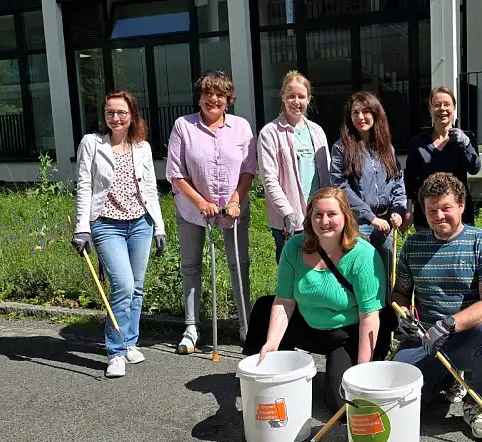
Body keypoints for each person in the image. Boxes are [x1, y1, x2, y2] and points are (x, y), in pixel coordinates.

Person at [243, 187, 396, 412]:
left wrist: (363, 370)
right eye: (318, 214)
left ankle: (354, 368)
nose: (324, 221)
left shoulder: (363, 254)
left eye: (332, 214)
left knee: (342, 406)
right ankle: (269, 370)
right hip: (308, 323)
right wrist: (272, 343)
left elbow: (369, 316)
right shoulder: (293, 247)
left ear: (345, 217)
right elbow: (284, 301)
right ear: (309, 217)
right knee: (265, 307)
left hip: (348, 331)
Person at [392, 172, 482, 440]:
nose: (439, 216)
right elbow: (400, 293)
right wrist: (403, 316)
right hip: (425, 339)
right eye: (431, 210)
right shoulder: (413, 244)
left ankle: (477, 402)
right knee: (400, 404)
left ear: (461, 205)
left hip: (470, 336)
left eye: (446, 208)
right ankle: (446, 380)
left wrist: (449, 324)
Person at [72, 90, 166, 378]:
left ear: (132, 115)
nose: (116, 117)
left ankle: (129, 342)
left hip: (141, 223)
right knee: (123, 286)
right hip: (106, 224)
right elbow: (85, 185)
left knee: (136, 287)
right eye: (110, 112)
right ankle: (115, 351)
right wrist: (81, 228)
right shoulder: (92, 143)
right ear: (104, 116)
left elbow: (150, 189)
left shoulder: (143, 148)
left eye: (121, 112)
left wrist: (159, 226)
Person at [166, 71, 256, 354]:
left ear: (228, 100)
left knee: (238, 265)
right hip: (193, 211)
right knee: (191, 267)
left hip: (233, 210)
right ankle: (191, 328)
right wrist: (201, 202)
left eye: (219, 94)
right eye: (207, 93)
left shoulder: (241, 127)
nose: (212, 99)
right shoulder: (184, 126)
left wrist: (235, 200)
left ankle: (246, 327)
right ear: (200, 96)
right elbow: (176, 173)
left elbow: (248, 169)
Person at [329, 91, 406, 274]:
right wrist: (371, 218)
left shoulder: (386, 147)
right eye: (355, 112)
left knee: (386, 275)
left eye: (366, 112)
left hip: (386, 222)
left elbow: (397, 180)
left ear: (375, 114)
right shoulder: (341, 148)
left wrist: (397, 210)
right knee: (360, 273)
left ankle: (386, 304)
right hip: (358, 223)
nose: (360, 117)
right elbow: (341, 187)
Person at [258, 71, 331, 263]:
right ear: (282, 97)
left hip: (318, 217)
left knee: (320, 270)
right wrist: (288, 213)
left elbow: (327, 176)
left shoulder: (317, 131)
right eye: (291, 96)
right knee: (290, 277)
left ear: (308, 99)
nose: (296, 101)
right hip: (288, 221)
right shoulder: (270, 133)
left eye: (301, 96)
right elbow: (269, 179)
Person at [403, 86, 480, 233]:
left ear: (454, 107)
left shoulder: (466, 138)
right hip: (426, 216)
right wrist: (408, 210)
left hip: (459, 215)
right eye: (437, 105)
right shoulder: (418, 142)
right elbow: (410, 180)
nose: (442, 109)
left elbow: (474, 168)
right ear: (430, 109)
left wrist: (466, 145)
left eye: (446, 104)